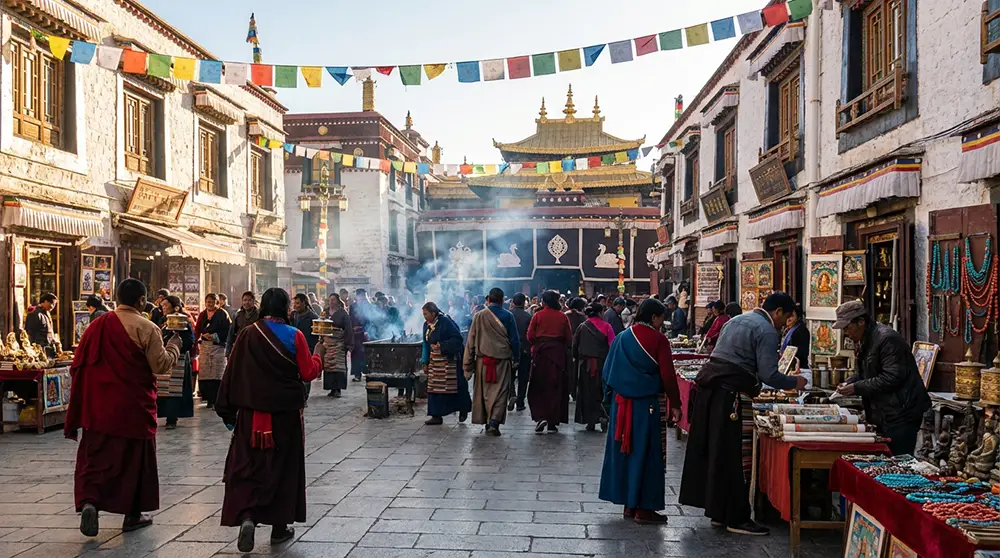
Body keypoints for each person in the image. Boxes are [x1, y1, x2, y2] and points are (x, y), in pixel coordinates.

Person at [679, 292, 808, 536]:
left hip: (711, 390)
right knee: (734, 455)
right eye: (786, 317)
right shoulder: (766, 330)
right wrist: (796, 382)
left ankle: (719, 511)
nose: (785, 324)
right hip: (730, 396)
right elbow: (770, 374)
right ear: (778, 311)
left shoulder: (736, 320)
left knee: (718, 452)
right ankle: (737, 517)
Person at [66, 279, 182, 537]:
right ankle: (132, 515)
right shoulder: (147, 327)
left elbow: (79, 366)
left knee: (96, 459)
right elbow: (160, 365)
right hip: (132, 408)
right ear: (142, 300)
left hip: (98, 408)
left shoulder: (95, 326)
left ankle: (90, 503)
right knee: (135, 461)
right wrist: (174, 346)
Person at [215, 288, 324, 553]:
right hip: (284, 417)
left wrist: (228, 412)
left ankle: (248, 517)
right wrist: (319, 353)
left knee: (250, 467)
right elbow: (308, 372)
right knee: (282, 470)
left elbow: (232, 373)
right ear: (287, 309)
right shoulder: (295, 335)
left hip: (251, 415)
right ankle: (279, 528)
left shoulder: (247, 333)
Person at [598, 299, 682, 524]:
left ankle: (628, 504)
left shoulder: (621, 338)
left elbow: (607, 372)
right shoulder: (658, 340)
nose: (661, 324)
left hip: (621, 404)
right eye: (661, 319)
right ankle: (643, 508)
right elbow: (667, 375)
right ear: (654, 317)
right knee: (646, 453)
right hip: (646, 405)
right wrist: (676, 403)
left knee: (624, 452)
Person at [833, 300, 931, 455]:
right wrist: (850, 382)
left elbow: (892, 377)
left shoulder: (886, 339)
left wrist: (856, 387)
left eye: (847, 327)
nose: (846, 332)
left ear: (861, 322)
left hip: (901, 411)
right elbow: (864, 373)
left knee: (898, 458)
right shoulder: (863, 340)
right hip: (884, 412)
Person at [463, 287, 519, 436]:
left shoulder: (478, 316)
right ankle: (494, 422)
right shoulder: (508, 316)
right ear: (502, 300)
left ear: (488, 299)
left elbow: (471, 341)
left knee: (484, 393)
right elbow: (514, 340)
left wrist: (467, 364)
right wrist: (517, 357)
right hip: (502, 361)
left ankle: (488, 421)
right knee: (500, 393)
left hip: (482, 362)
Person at [526, 290, 573, 434]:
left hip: (541, 355)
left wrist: (539, 344)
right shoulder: (562, 317)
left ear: (544, 302)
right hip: (558, 355)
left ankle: (541, 417)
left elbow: (530, 336)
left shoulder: (538, 315)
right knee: (556, 387)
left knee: (539, 386)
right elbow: (569, 337)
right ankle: (553, 421)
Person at [421, 302, 471, 425]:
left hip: (449, 361)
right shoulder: (426, 326)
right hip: (435, 362)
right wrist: (425, 361)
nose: (424, 316)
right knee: (434, 388)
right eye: (423, 314)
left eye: (426, 314)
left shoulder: (445, 322)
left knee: (455, 387)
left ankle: (462, 409)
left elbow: (457, 338)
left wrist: (442, 346)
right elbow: (425, 344)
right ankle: (436, 415)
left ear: (434, 313)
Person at [574, 301, 615, 432]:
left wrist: (577, 358)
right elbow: (612, 346)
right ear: (600, 313)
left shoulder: (582, 326)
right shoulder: (607, 326)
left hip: (585, 365)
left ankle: (590, 421)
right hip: (602, 365)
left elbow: (575, 346)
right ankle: (603, 417)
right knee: (601, 391)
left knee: (587, 391)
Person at [156, 295, 195, 430]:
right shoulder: (163, 321)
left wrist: (177, 343)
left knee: (174, 390)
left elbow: (190, 341)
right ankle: (165, 413)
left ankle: (172, 417)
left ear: (175, 307)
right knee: (163, 389)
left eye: (166, 305)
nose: (163, 308)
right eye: (162, 305)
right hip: (165, 357)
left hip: (179, 360)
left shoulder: (184, 322)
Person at [195, 294, 231, 408]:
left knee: (217, 373)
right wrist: (198, 339)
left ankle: (216, 399)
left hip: (218, 347)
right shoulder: (202, 314)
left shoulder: (223, 314)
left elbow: (227, 330)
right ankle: (208, 399)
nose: (210, 304)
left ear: (217, 303)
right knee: (205, 373)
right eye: (208, 302)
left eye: (212, 302)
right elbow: (198, 328)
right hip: (205, 346)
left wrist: (215, 336)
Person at [322, 293, 354, 398]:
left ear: (338, 301)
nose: (331, 302)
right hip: (328, 342)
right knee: (328, 365)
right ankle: (331, 388)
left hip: (339, 342)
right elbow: (320, 324)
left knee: (338, 366)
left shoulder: (343, 313)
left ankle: (338, 389)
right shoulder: (325, 312)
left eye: (333, 300)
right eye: (330, 300)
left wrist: (348, 344)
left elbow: (348, 328)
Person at [291, 294, 321, 400]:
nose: (296, 306)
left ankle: (305, 396)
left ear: (304, 303)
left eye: (298, 303)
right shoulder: (293, 315)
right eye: (294, 303)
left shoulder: (313, 317)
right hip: (294, 347)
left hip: (308, 348)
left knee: (306, 373)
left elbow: (318, 334)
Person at [509, 293, 533, 412]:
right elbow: (531, 335)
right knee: (523, 378)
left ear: (513, 302)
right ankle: (520, 402)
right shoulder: (528, 317)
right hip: (525, 350)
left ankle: (512, 394)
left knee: (510, 375)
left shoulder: (509, 315)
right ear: (524, 302)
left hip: (511, 350)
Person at [565, 297, 588, 403]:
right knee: (575, 371)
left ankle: (566, 391)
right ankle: (574, 392)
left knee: (566, 370)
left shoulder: (565, 315)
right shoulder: (582, 317)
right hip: (578, 347)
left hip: (566, 346)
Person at [226, 292, 259, 356]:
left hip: (254, 348)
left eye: (249, 300)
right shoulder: (238, 315)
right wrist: (228, 352)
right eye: (245, 300)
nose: (247, 303)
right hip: (239, 346)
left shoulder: (259, 315)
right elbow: (231, 334)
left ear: (254, 301)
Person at [781, 304, 810, 370]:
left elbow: (802, 352)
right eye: (787, 316)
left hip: (798, 367)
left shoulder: (801, 330)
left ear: (798, 317)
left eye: (792, 316)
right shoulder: (788, 329)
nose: (788, 318)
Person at [350, 289, 370, 381]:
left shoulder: (369, 306)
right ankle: (357, 374)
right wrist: (353, 328)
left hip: (365, 334)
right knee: (356, 354)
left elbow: (371, 321)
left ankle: (367, 372)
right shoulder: (353, 306)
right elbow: (350, 319)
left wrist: (366, 330)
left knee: (365, 354)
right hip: (355, 334)